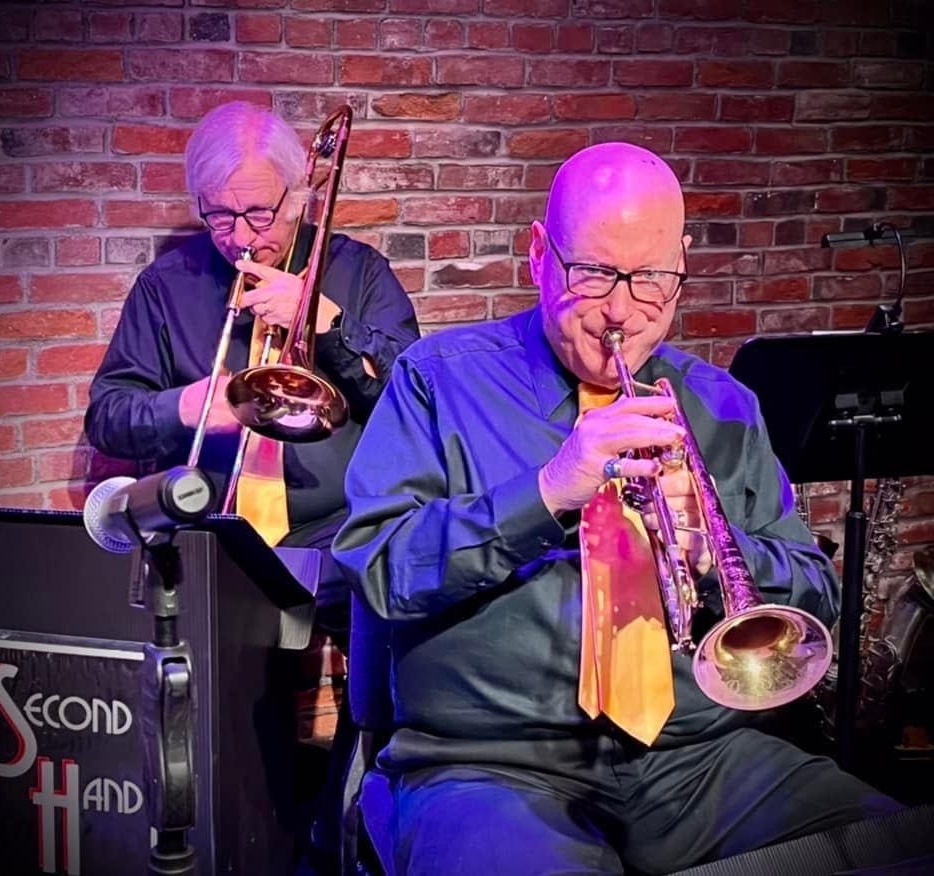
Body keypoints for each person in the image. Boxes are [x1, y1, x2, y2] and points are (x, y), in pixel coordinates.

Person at [331, 143, 899, 875]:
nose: (622, 311)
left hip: (699, 760)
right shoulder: (438, 381)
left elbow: (813, 592)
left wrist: (714, 549)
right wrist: (547, 491)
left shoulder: (723, 406)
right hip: (490, 764)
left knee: (890, 847)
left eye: (651, 278)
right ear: (540, 254)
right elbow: (378, 566)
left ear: (681, 265)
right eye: (594, 272)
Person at [85, 101, 419, 870]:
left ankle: (339, 840)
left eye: (259, 213)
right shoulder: (167, 286)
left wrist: (326, 321)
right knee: (218, 714)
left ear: (300, 196)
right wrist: (183, 406)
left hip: (337, 530)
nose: (241, 237)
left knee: (388, 674)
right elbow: (107, 414)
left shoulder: (357, 271)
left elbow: (411, 389)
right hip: (222, 532)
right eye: (219, 216)